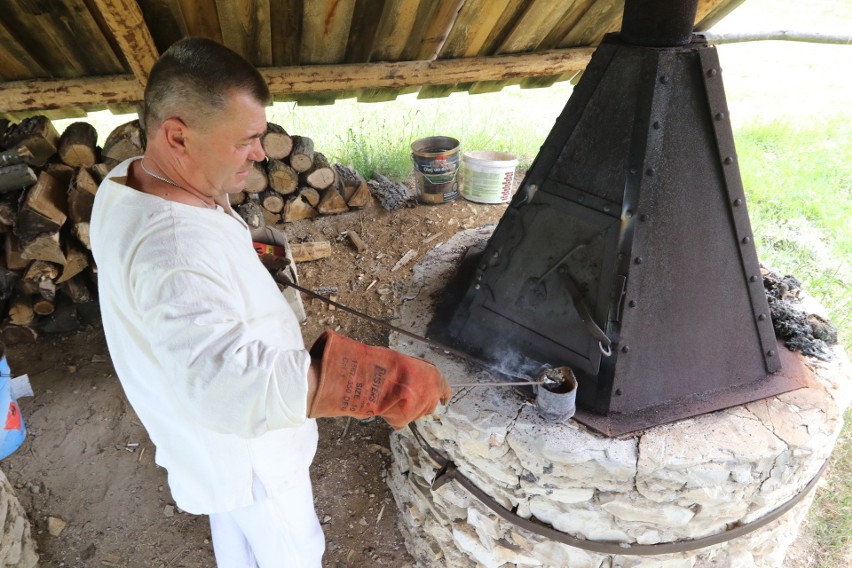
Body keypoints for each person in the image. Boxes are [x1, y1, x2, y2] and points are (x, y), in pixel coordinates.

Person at [89, 37, 451, 568]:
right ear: (177, 135)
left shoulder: (131, 179)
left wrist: (238, 259)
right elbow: (230, 386)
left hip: (209, 447)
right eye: (246, 141)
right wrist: (377, 383)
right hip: (250, 453)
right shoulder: (172, 250)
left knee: (236, 538)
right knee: (294, 552)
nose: (260, 154)